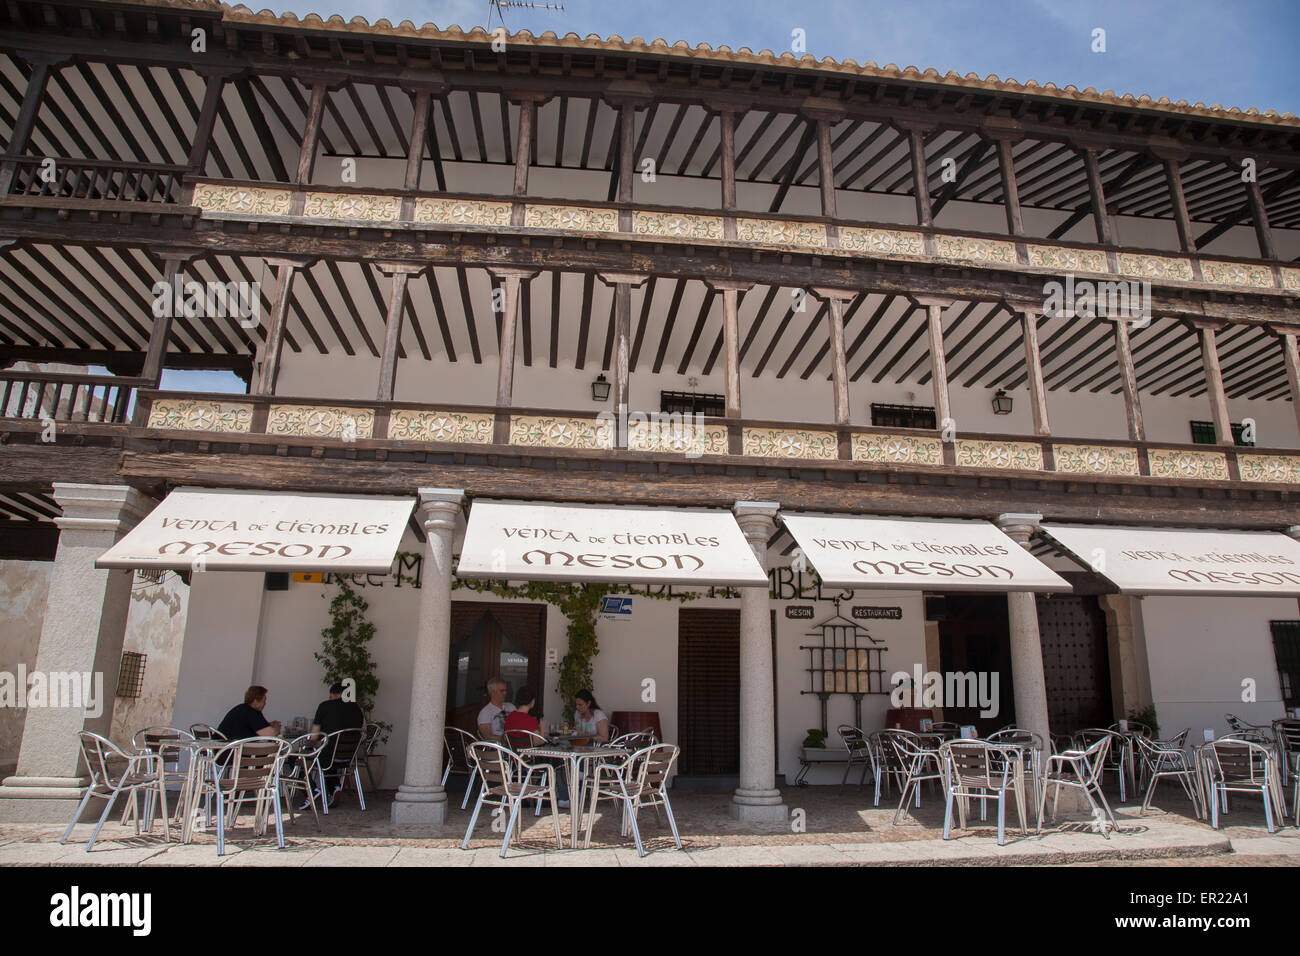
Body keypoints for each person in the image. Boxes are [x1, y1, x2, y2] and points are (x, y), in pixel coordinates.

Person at [304, 683, 366, 809]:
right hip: (348, 758)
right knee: (327, 754)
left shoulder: (325, 706)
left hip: (328, 756)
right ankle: (335, 788)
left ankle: (313, 790)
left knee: (302, 759)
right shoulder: (357, 709)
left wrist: (308, 745)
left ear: (332, 695)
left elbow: (314, 736)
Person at [217, 685, 282, 740]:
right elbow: (270, 736)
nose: (265, 704)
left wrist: (269, 724)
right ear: (256, 701)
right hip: (231, 752)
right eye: (263, 701)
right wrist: (277, 727)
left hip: (220, 748)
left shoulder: (241, 708)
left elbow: (251, 726)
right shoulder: (252, 712)